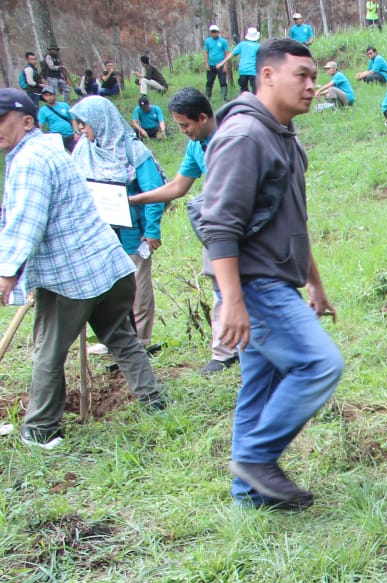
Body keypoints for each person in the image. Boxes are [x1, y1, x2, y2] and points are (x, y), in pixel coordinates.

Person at [198, 38, 343, 510]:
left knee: (258, 387)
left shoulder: (283, 136)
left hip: (276, 279)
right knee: (320, 363)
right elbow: (218, 224)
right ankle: (258, 460)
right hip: (253, 283)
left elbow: (292, 220)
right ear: (266, 76)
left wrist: (314, 282)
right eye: (301, 75)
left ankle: (249, 496)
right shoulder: (245, 136)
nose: (311, 85)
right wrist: (232, 299)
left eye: (314, 77)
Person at [0, 88, 164, 450]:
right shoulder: (50, 149)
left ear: (27, 121)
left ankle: (42, 430)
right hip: (107, 266)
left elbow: (27, 220)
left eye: (2, 120)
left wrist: (7, 273)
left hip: (71, 278)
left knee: (48, 351)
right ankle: (156, 402)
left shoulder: (31, 159)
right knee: (121, 337)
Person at [128, 87, 239, 378]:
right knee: (219, 284)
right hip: (215, 223)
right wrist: (135, 199)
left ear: (202, 117)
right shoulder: (196, 145)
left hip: (246, 222)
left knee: (254, 285)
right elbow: (178, 186)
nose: (182, 131)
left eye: (184, 125)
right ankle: (225, 351)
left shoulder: (234, 138)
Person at [70, 96, 166, 350]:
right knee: (109, 289)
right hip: (101, 235)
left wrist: (152, 230)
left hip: (133, 234)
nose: (81, 128)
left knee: (137, 288)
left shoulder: (132, 150)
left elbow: (155, 192)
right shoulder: (83, 150)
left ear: (101, 121)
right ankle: (117, 337)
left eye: (84, 123)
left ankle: (140, 340)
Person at [37, 85, 76, 152]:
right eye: (46, 95)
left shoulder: (65, 106)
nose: (48, 97)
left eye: (50, 95)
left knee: (76, 154)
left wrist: (76, 132)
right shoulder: (43, 110)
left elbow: (73, 119)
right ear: (43, 97)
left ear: (55, 95)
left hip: (70, 135)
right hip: (56, 138)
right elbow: (40, 125)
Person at [204, 24, 232, 102]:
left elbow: (227, 53)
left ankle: (224, 98)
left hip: (221, 65)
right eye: (212, 32)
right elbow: (206, 52)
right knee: (209, 81)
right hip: (211, 65)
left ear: (218, 32)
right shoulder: (208, 41)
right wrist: (206, 63)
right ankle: (208, 97)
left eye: (215, 32)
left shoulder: (223, 41)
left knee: (223, 82)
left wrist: (225, 65)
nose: (214, 33)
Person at [231, 28, 261, 94]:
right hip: (253, 71)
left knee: (243, 90)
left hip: (243, 70)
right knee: (255, 90)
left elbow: (232, 54)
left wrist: (222, 63)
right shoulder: (258, 46)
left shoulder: (242, 44)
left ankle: (244, 102)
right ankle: (254, 102)